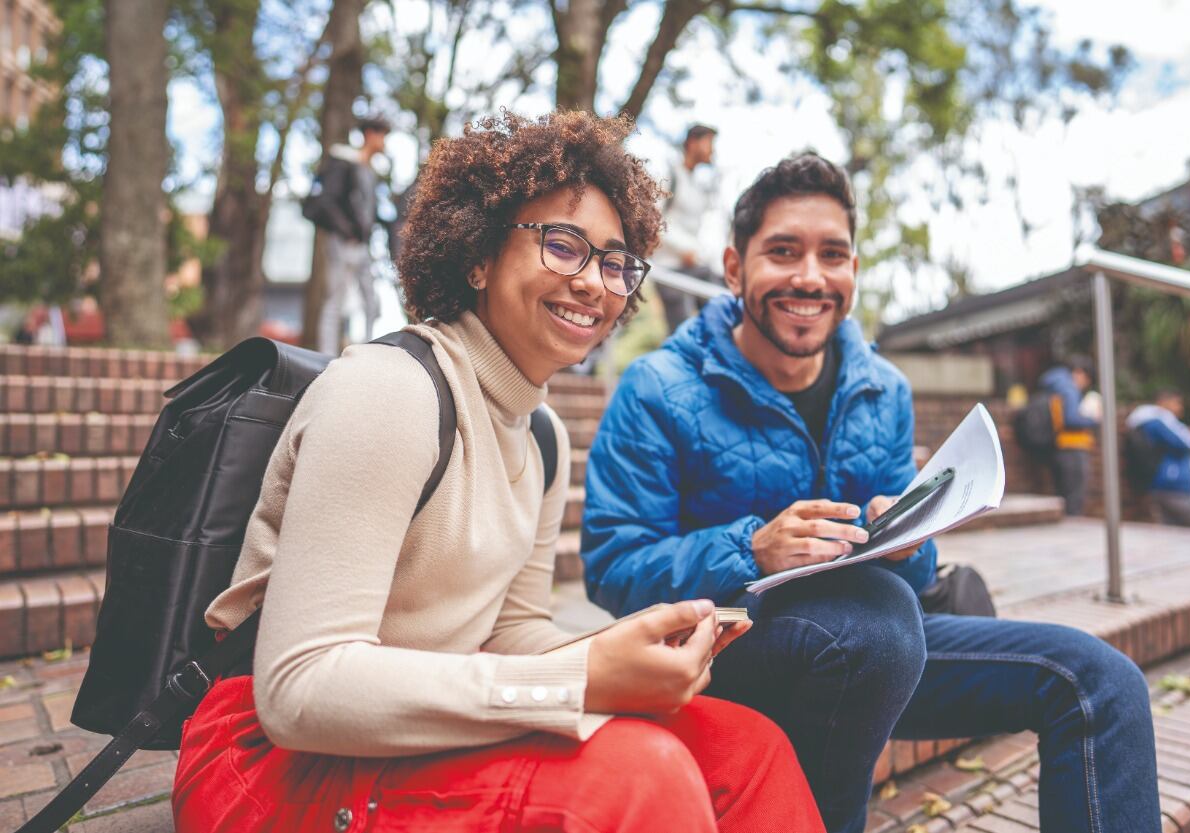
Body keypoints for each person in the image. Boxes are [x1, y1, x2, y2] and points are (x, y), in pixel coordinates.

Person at [170, 111, 823, 833]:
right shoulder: (389, 390)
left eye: (614, 263)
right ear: (479, 255)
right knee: (641, 777)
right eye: (563, 245)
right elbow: (300, 690)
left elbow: (513, 633)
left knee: (749, 749)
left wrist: (619, 649)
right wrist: (575, 679)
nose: (594, 283)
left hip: (421, 724)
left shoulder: (542, 437)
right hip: (267, 759)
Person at [581, 153, 1161, 833]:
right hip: (722, 653)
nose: (810, 276)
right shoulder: (656, 388)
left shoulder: (884, 389)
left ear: (853, 272)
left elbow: (911, 579)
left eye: (832, 255)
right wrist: (752, 548)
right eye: (783, 252)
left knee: (1101, 682)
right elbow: (613, 567)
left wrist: (908, 541)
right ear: (734, 269)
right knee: (874, 625)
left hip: (881, 651)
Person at [314, 114, 391, 355]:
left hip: (363, 245)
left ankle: (368, 352)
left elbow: (367, 209)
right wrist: (346, 231)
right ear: (370, 134)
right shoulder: (346, 163)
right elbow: (327, 201)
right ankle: (325, 356)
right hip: (344, 242)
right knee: (335, 300)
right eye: (382, 136)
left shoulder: (370, 170)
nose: (384, 142)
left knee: (370, 301)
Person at [653, 123, 720, 331]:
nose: (712, 149)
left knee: (719, 313)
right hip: (668, 268)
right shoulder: (668, 176)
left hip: (693, 267)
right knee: (680, 329)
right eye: (709, 143)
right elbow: (653, 220)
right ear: (692, 143)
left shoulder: (698, 185)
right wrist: (685, 249)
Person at [1126, 388, 1190, 529]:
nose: (1180, 408)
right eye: (1177, 403)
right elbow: (1183, 443)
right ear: (1164, 402)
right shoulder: (1156, 420)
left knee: (1173, 532)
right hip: (1176, 485)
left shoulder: (1149, 420)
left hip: (1164, 484)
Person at [1038, 355, 1099, 515]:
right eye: (1087, 379)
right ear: (1079, 373)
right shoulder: (1069, 388)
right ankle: (1074, 527)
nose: (1084, 385)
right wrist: (1093, 420)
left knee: (1063, 496)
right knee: (1074, 499)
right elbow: (1071, 419)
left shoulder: (1054, 384)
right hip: (1072, 448)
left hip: (1057, 447)